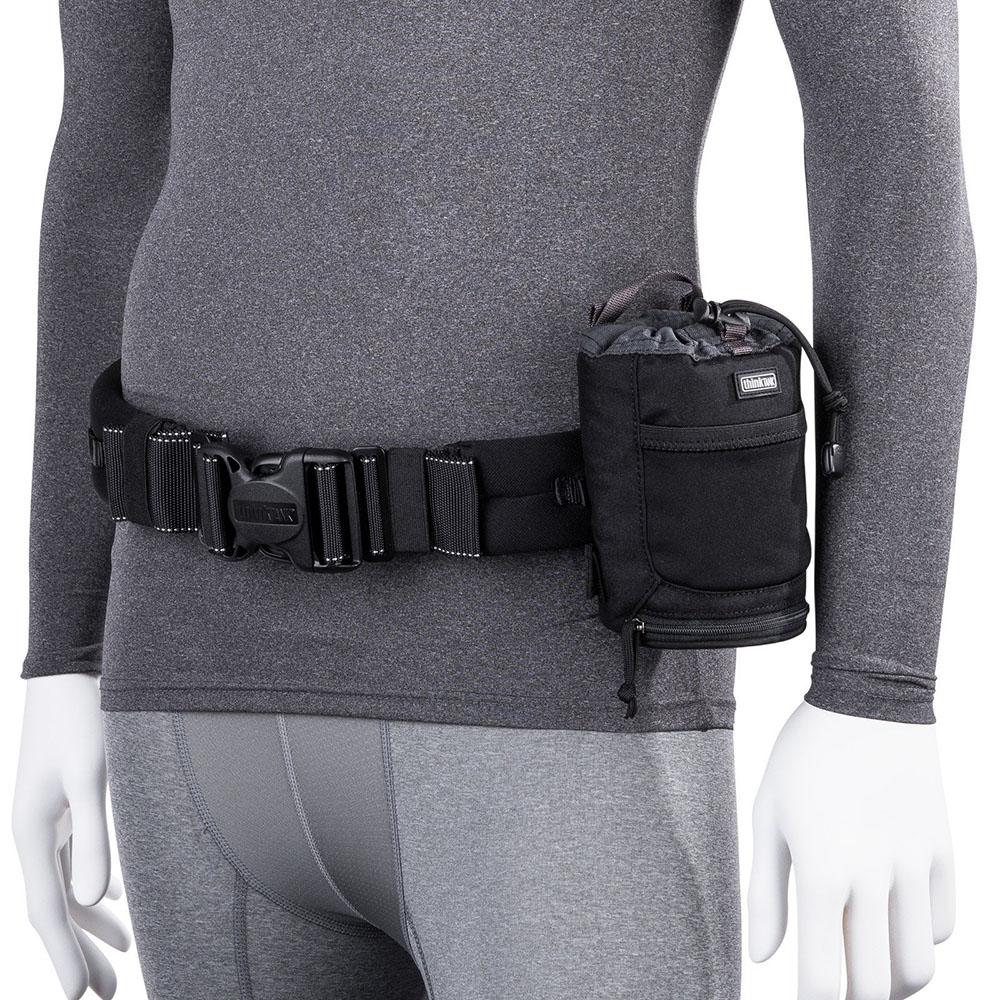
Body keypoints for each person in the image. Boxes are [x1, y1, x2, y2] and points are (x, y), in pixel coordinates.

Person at [13, 1, 975, 998]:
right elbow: (110, 147)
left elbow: (894, 136)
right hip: (187, 684)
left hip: (559, 695)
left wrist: (875, 683)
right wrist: (63, 649)